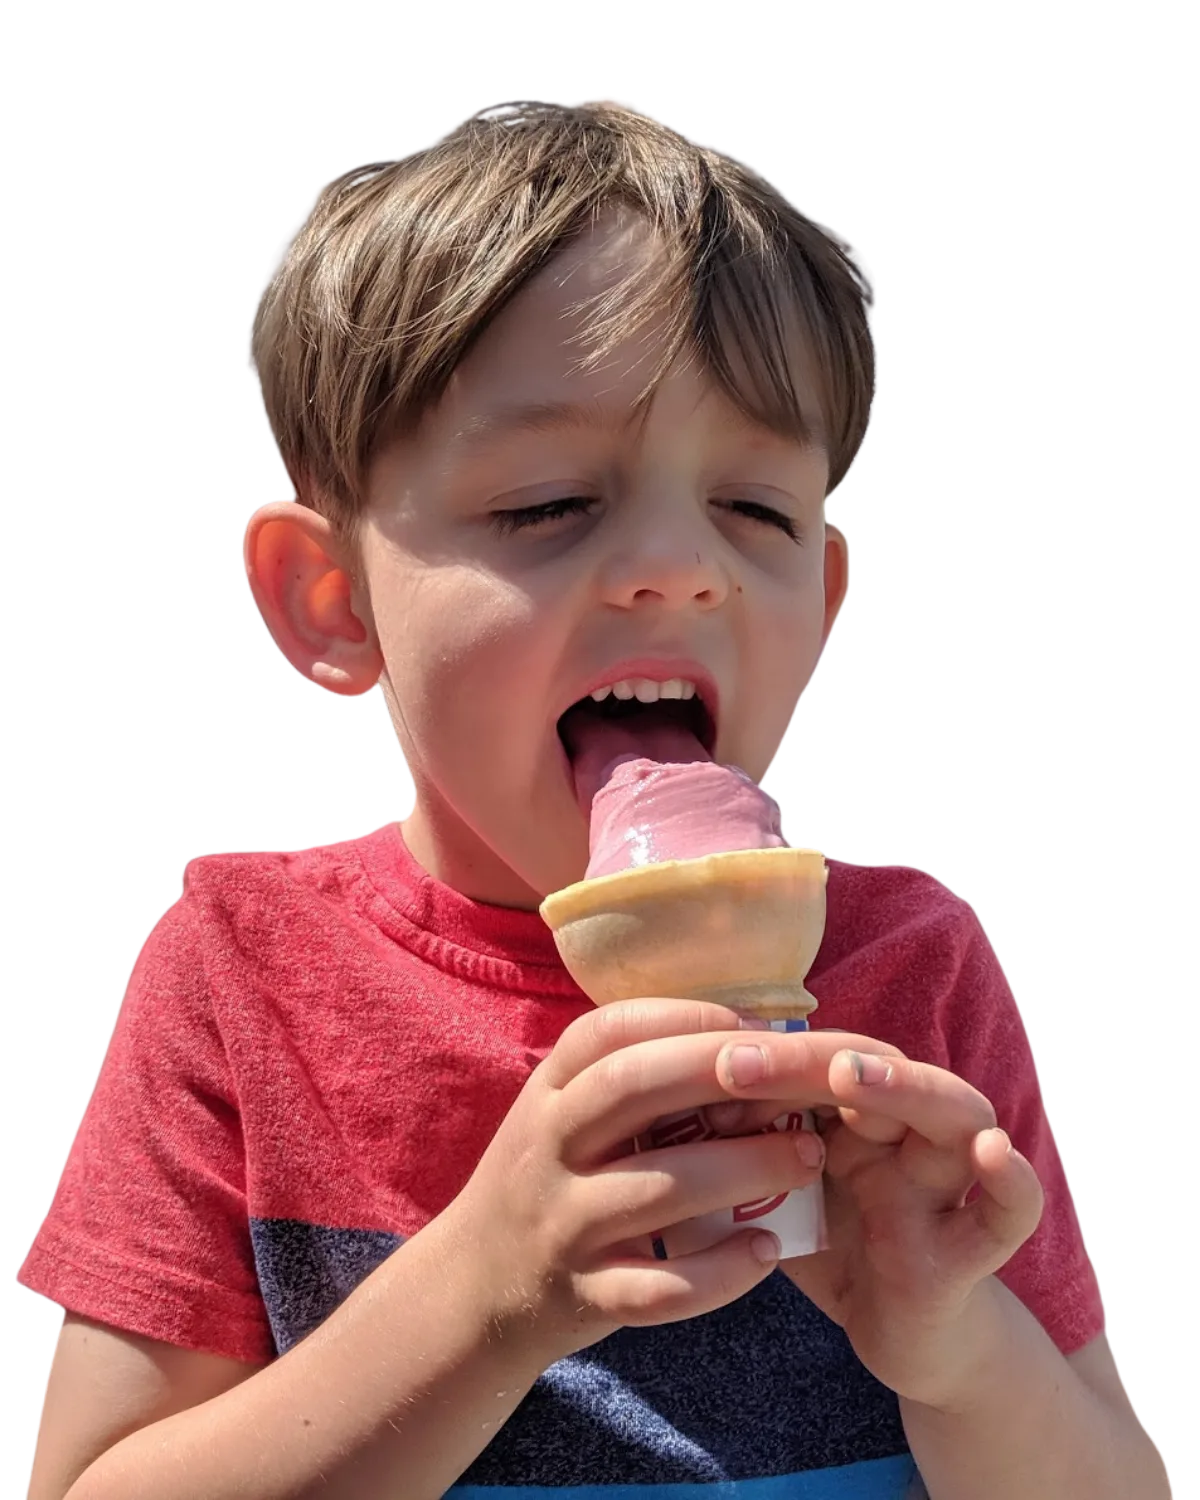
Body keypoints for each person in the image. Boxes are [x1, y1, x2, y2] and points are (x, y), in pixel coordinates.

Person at [18, 98, 1169, 1499]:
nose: (680, 569)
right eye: (549, 502)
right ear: (331, 598)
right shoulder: (243, 969)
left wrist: (958, 1345)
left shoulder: (909, 975)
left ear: (820, 603)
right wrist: (483, 1295)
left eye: (756, 511)